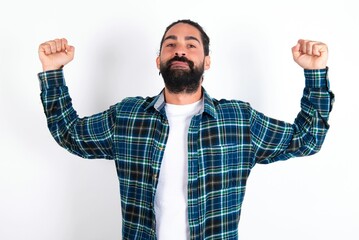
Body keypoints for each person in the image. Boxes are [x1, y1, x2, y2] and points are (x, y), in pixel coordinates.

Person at [38, 19, 334, 240]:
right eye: (171, 44)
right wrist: (52, 71)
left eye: (191, 44)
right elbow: (70, 134)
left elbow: (307, 139)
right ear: (159, 61)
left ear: (206, 61)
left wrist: (315, 72)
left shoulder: (239, 121)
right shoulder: (127, 117)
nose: (180, 50)